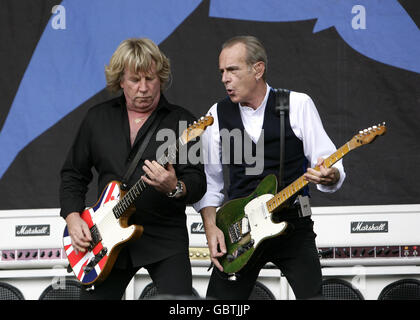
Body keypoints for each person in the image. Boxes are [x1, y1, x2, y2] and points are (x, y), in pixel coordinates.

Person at [193, 35, 345, 300]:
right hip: (241, 230)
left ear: (258, 69)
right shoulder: (217, 114)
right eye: (222, 72)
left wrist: (330, 176)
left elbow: (327, 160)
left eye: (232, 70)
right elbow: (209, 178)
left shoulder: (297, 105)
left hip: (293, 225)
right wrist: (210, 226)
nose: (224, 79)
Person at [60, 38, 206, 299]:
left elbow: (197, 180)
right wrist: (73, 217)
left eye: (150, 79)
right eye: (135, 80)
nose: (144, 88)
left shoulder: (182, 120)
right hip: (103, 237)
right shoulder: (97, 118)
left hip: (164, 238)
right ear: (120, 81)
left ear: (160, 78)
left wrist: (175, 187)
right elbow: (73, 173)